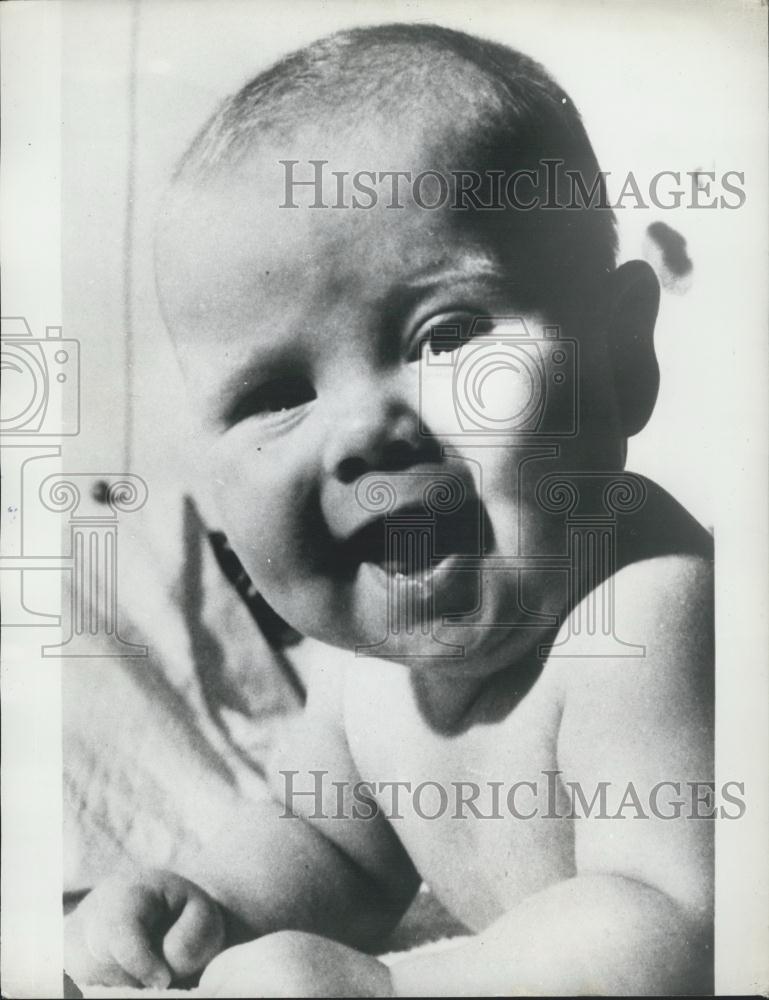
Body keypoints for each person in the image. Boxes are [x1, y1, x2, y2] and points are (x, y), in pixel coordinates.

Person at [64, 23, 714, 996]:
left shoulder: (648, 617)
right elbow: (328, 845)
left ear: (618, 361)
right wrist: (203, 902)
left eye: (444, 333)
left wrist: (389, 985)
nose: (366, 428)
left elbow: (672, 923)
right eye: (278, 392)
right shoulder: (362, 680)